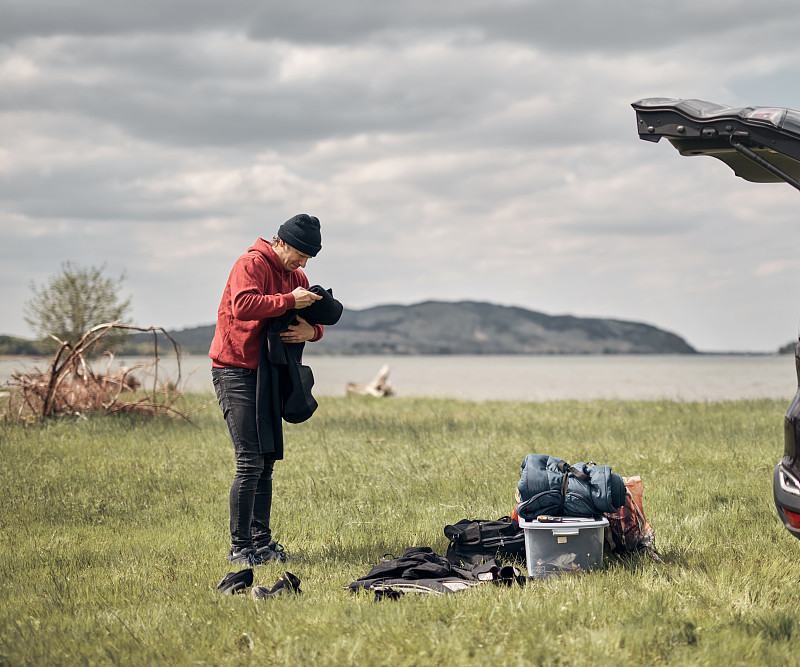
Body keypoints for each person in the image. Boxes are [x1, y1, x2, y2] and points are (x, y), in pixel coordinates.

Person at [209, 213, 324, 566]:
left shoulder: (296, 276)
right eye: (301, 255)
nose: (303, 264)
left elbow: (311, 319)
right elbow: (242, 306)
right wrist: (290, 300)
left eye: (308, 259)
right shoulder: (251, 263)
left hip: (268, 375)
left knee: (267, 462)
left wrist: (313, 332)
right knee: (250, 461)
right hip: (235, 370)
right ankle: (240, 549)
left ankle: (261, 542)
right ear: (282, 243)